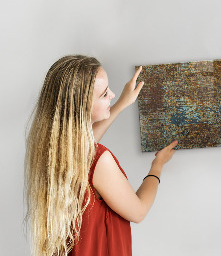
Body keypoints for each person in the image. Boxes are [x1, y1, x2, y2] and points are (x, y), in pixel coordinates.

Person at [24, 55, 178, 256]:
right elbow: (139, 211)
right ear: (82, 106)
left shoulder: (53, 150)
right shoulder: (99, 160)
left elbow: (86, 147)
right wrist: (157, 166)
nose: (113, 94)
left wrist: (122, 103)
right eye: (105, 94)